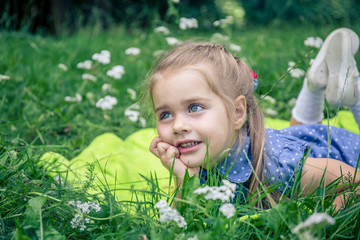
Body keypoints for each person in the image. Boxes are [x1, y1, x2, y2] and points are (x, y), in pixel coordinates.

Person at [145, 27, 360, 209]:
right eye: (165, 114)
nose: (178, 125)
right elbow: (183, 224)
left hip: (346, 158)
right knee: (301, 136)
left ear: (238, 112)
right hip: (303, 143)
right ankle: (314, 83)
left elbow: (355, 183)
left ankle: (352, 90)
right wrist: (185, 182)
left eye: (194, 107)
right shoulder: (196, 159)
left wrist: (325, 223)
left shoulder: (279, 167)